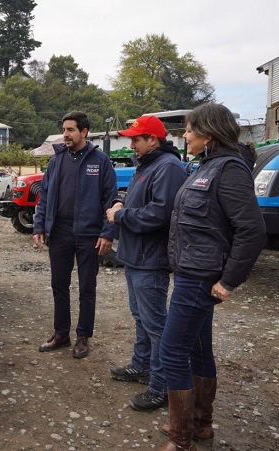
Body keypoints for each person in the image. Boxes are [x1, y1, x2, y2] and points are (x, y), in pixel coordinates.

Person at [159, 103, 267, 451]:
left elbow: (252, 231)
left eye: (189, 130)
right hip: (192, 272)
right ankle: (201, 426)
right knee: (198, 349)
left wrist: (229, 280)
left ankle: (180, 439)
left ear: (208, 133)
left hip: (200, 278)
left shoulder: (229, 169)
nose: (184, 135)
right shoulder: (207, 165)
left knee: (172, 351)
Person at [105, 115, 188, 412]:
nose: (131, 144)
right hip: (136, 256)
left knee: (155, 323)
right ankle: (140, 366)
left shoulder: (167, 168)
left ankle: (161, 385)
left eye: (136, 139)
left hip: (150, 259)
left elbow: (159, 214)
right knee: (141, 317)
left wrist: (121, 215)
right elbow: (142, 203)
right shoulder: (149, 165)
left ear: (153, 140)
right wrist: (121, 203)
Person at [33, 111, 117, 359]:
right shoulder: (57, 161)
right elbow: (45, 197)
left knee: (87, 287)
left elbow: (110, 199)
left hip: (89, 235)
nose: (65, 135)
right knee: (59, 284)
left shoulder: (100, 162)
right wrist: (39, 227)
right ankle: (61, 334)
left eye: (70, 130)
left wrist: (107, 232)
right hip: (59, 233)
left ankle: (83, 336)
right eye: (64, 129)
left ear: (84, 132)